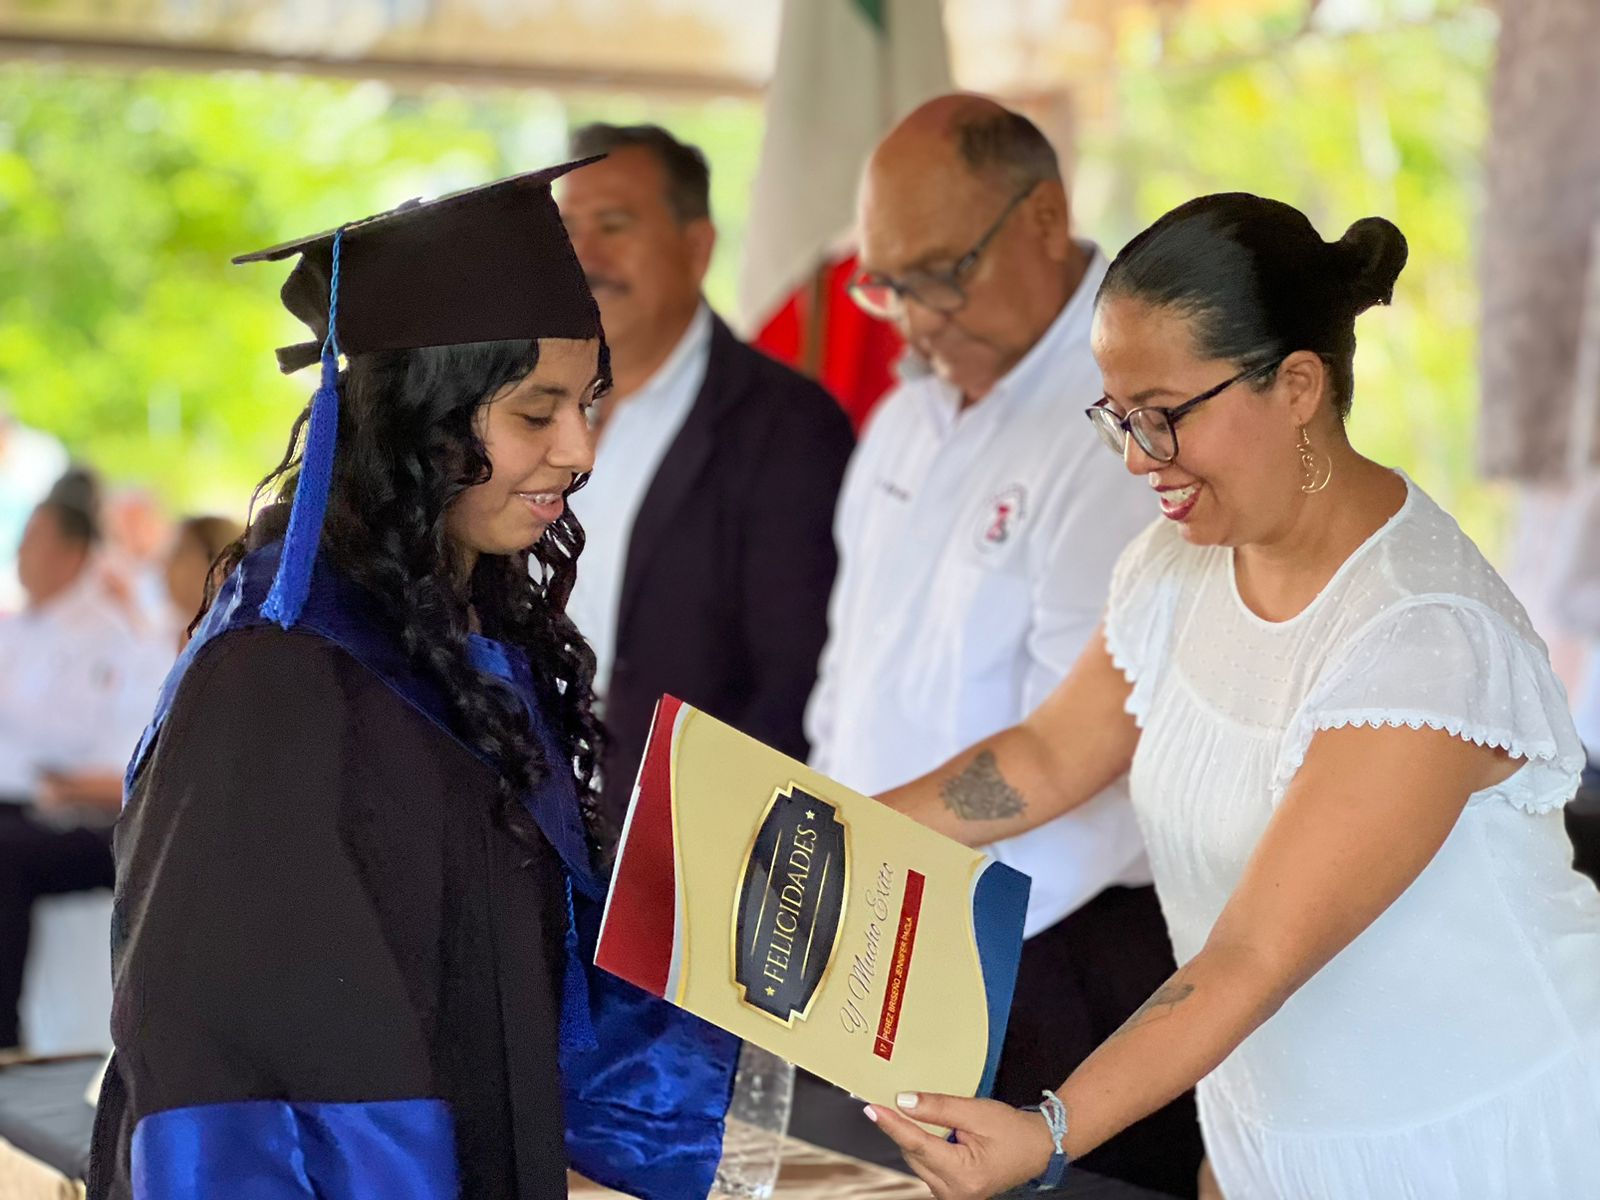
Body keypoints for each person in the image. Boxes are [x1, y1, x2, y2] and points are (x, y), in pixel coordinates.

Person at [858, 193, 1600, 1199]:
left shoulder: (1421, 639)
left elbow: (1253, 953)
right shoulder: (1177, 566)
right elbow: (1041, 760)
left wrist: (1048, 1130)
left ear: (1296, 385)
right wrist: (817, 833)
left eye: (1162, 417)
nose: (1134, 458)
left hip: (1472, 1141)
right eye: (1117, 417)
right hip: (1278, 1133)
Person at [88, 162, 737, 1200]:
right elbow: (242, 1067)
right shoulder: (278, 678)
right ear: (419, 422)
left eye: (589, 404)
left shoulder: (474, 637)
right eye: (537, 413)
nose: (578, 450)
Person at [805, 94, 1197, 1194]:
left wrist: (860, 861)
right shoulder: (900, 415)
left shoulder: (1127, 418)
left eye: (943, 270)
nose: (916, 315)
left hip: (1046, 958)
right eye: (887, 284)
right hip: (874, 928)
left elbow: (1074, 751)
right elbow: (848, 677)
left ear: (1043, 217)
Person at [556, 123, 854, 822]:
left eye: (614, 225)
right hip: (527, 824)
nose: (584, 254)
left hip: (683, 843)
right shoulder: (521, 406)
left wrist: (699, 839)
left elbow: (796, 683)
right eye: (568, 229)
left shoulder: (789, 426)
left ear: (697, 247)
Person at [0, 489, 169, 1050]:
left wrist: (64, 782)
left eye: (32, 542)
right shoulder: (19, 629)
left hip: (85, 812)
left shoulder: (113, 637)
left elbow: (117, 759)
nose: (20, 556)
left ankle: (5, 1037)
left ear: (72, 554)